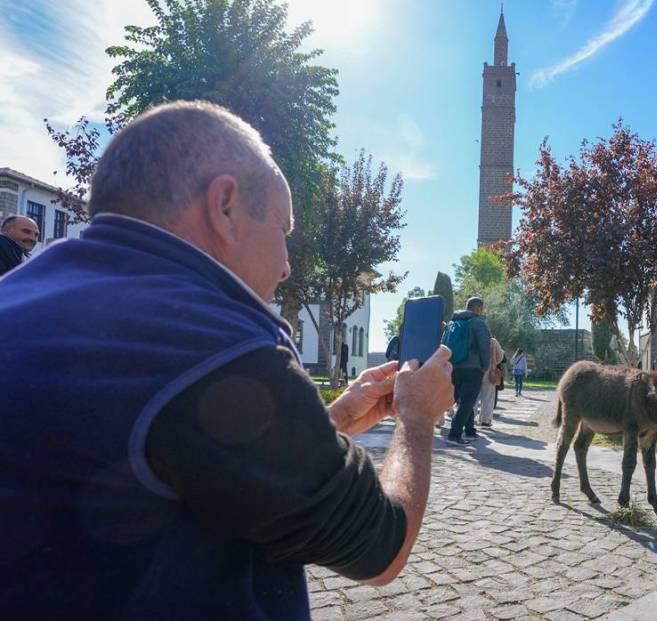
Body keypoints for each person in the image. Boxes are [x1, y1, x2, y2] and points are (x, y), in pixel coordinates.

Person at [0, 101, 456, 618]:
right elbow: (380, 547)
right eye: (283, 230)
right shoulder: (211, 342)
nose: (286, 266)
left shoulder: (21, 296)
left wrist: (338, 420)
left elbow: (196, 460)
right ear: (225, 206)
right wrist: (417, 420)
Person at [443, 297, 492, 445]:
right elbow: (484, 347)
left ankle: (470, 431)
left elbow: (443, 344)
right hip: (472, 368)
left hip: (454, 366)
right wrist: (485, 366)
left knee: (463, 401)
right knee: (467, 402)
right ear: (478, 308)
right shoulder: (478, 322)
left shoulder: (452, 323)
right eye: (482, 308)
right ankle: (454, 434)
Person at [476, 336, 504, 426]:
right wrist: (495, 362)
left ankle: (469, 419)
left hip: (476, 370)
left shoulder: (475, 338)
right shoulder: (492, 341)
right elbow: (500, 355)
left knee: (474, 397)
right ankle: (486, 420)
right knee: (488, 398)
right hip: (489, 371)